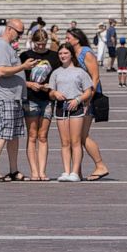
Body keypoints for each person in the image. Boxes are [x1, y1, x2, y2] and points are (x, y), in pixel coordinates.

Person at [0, 18, 37, 181]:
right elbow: (1, 71)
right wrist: (23, 67)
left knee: (13, 135)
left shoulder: (7, 47)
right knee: (3, 133)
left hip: (12, 97)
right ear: (9, 29)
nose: (20, 37)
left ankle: (13, 170)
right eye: (19, 33)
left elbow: (10, 73)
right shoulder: (0, 46)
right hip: (3, 97)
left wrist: (26, 83)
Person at [64, 28, 110, 180]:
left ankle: (100, 165)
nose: (66, 40)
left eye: (68, 38)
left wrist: (88, 98)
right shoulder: (74, 54)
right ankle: (77, 171)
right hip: (78, 97)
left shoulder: (85, 52)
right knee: (75, 137)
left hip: (88, 98)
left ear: (77, 39)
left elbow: (95, 77)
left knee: (82, 136)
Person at [48, 43, 94, 182]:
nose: (63, 56)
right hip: (61, 106)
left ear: (72, 55)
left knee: (75, 141)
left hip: (75, 106)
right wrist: (55, 93)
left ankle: (75, 172)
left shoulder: (80, 72)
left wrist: (78, 100)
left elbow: (88, 91)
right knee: (64, 142)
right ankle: (66, 171)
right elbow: (50, 92)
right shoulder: (56, 72)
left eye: (65, 53)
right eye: (60, 53)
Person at [19, 28, 59, 181]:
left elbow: (56, 77)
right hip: (31, 98)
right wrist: (30, 84)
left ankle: (42, 171)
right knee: (32, 135)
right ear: (33, 42)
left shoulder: (53, 56)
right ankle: (34, 171)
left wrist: (50, 86)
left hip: (47, 98)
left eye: (43, 44)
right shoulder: (25, 55)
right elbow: (18, 77)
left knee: (43, 136)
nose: (41, 47)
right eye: (38, 44)